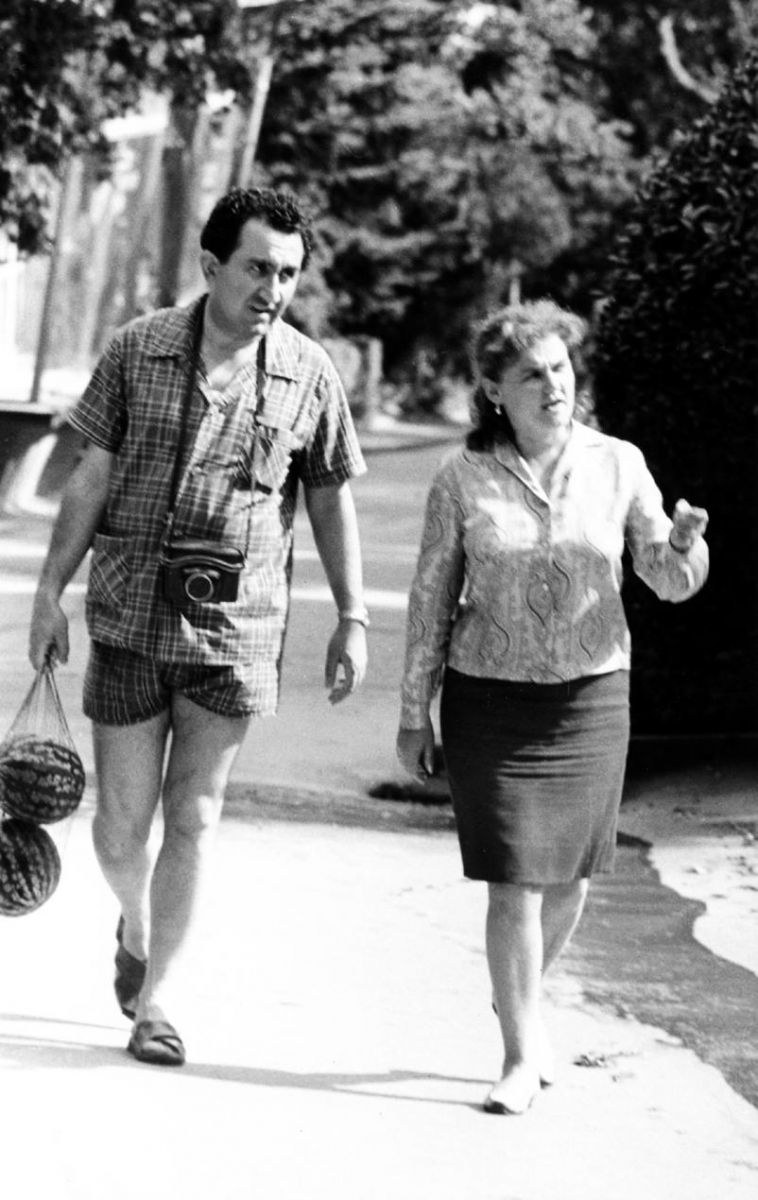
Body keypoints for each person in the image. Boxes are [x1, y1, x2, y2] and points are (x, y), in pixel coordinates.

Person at [29, 186, 369, 1067]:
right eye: (258, 269)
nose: (273, 290)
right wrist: (49, 591)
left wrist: (353, 614)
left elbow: (329, 499)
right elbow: (91, 474)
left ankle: (160, 1002)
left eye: (288, 274)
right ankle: (137, 928)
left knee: (196, 816)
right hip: (131, 616)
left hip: (237, 629)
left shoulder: (307, 372)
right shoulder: (137, 349)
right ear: (213, 266)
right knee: (119, 831)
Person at [396, 299, 708, 1116]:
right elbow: (430, 598)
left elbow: (667, 581)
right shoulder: (461, 475)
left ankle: (519, 998)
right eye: (531, 374)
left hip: (590, 699)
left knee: (569, 882)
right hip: (490, 703)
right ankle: (518, 1054)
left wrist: (682, 545)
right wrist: (413, 710)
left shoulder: (619, 463)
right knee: (513, 882)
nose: (552, 385)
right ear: (494, 389)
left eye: (561, 369)